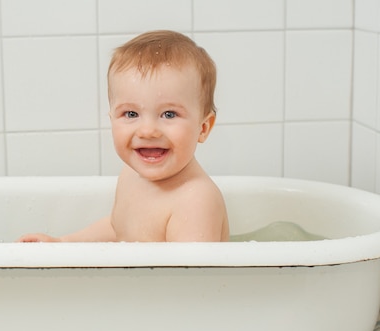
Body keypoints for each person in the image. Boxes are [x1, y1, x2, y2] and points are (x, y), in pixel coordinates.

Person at [18, 30, 229, 242]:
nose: (148, 131)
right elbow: (118, 229)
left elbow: (192, 275)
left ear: (203, 128)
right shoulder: (130, 175)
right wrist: (62, 243)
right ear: (112, 118)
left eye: (169, 114)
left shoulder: (195, 201)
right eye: (131, 114)